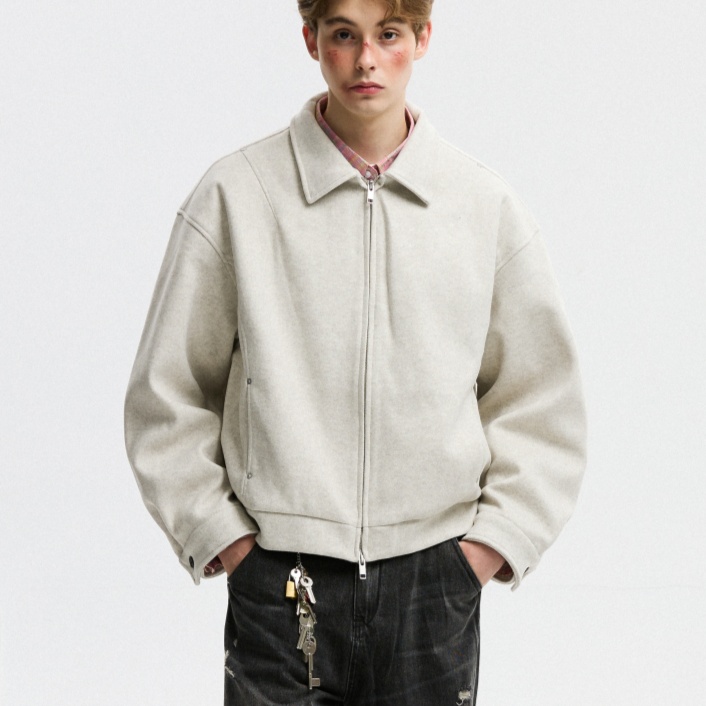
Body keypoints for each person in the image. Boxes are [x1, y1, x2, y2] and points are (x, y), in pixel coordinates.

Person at [124, 0, 587, 703]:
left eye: (388, 34)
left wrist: (491, 546)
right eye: (344, 34)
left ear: (422, 38)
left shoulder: (481, 206)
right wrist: (220, 535)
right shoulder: (238, 196)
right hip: (280, 577)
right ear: (311, 40)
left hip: (432, 581)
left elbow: (541, 398)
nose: (366, 59)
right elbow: (168, 391)